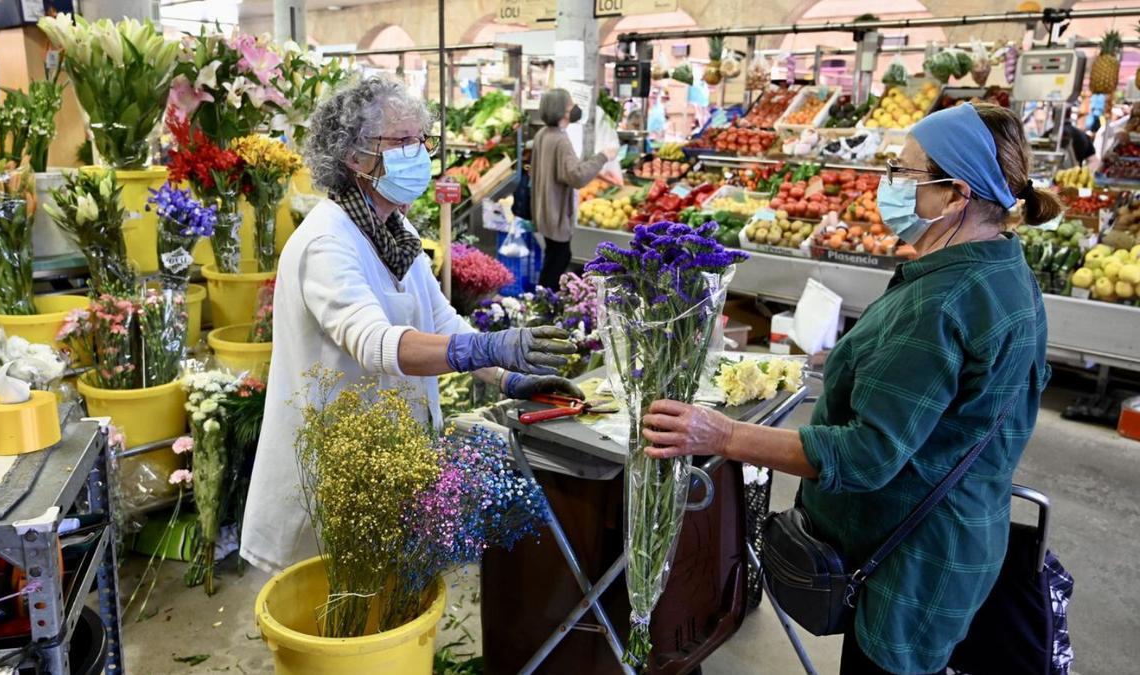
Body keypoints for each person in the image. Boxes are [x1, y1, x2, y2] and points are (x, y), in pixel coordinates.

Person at [640, 103, 1059, 675]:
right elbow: (952, 395)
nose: (889, 182)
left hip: (909, 565)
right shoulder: (1003, 270)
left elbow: (865, 456)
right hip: (963, 538)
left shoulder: (937, 303)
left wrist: (723, 434)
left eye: (906, 173)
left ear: (956, 195)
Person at [240, 78, 582, 573]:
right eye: (401, 142)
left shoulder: (394, 231)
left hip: (386, 458)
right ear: (355, 157)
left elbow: (440, 319)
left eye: (421, 140)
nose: (418, 153)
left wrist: (509, 376)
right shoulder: (326, 242)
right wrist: (489, 348)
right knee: (338, 615)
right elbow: (377, 346)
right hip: (331, 468)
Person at [531, 88, 617, 289]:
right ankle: (543, 305)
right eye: (570, 106)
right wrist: (603, 156)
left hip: (544, 212)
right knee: (557, 262)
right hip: (557, 216)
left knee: (554, 258)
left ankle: (543, 299)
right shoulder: (560, 140)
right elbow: (576, 176)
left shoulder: (542, 134)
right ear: (561, 111)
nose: (574, 109)